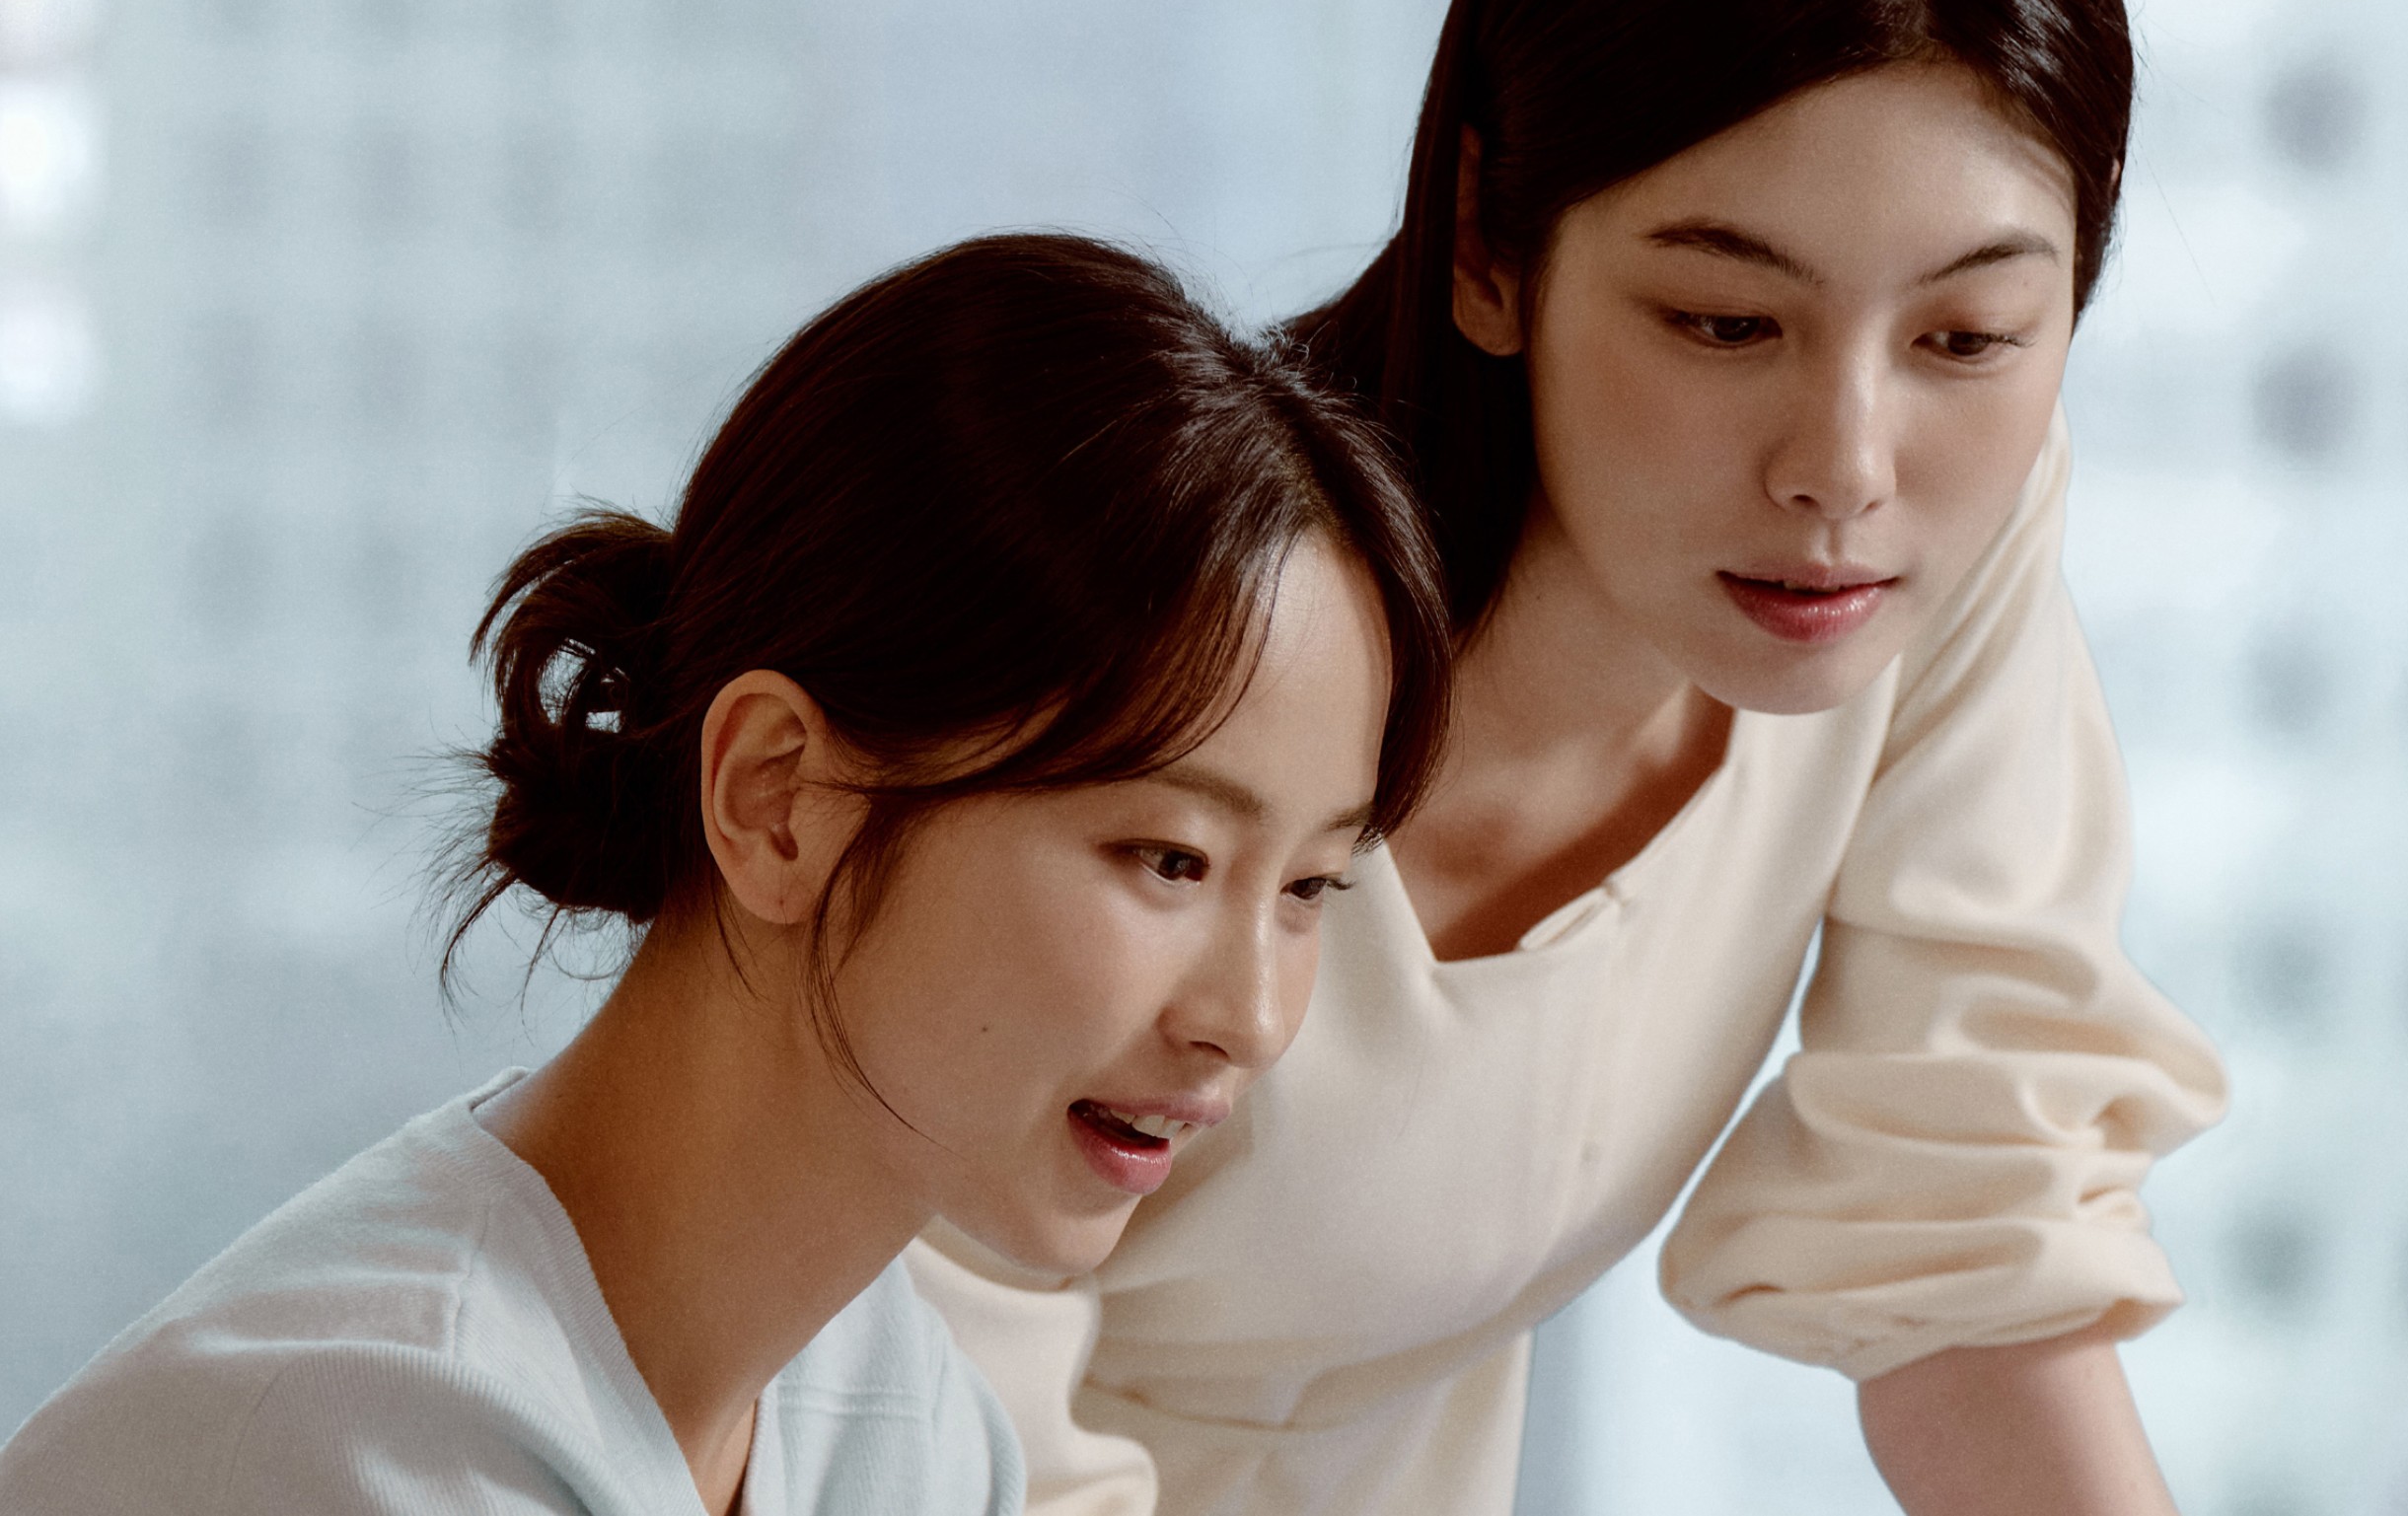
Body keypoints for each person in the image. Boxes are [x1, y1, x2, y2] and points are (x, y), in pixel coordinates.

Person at [907, 0, 2230, 1516]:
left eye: (1968, 336)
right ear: (1488, 241)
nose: (1843, 464)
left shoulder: (1925, 566)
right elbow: (906, 1389)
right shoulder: (1154, 636)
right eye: (1722, 321)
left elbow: (1975, 1268)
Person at [0, 236, 1454, 1516]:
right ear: (780, 797)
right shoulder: (367, 1450)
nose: (1252, 1016)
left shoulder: (902, 1421)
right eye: (1170, 857)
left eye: (1312, 887)